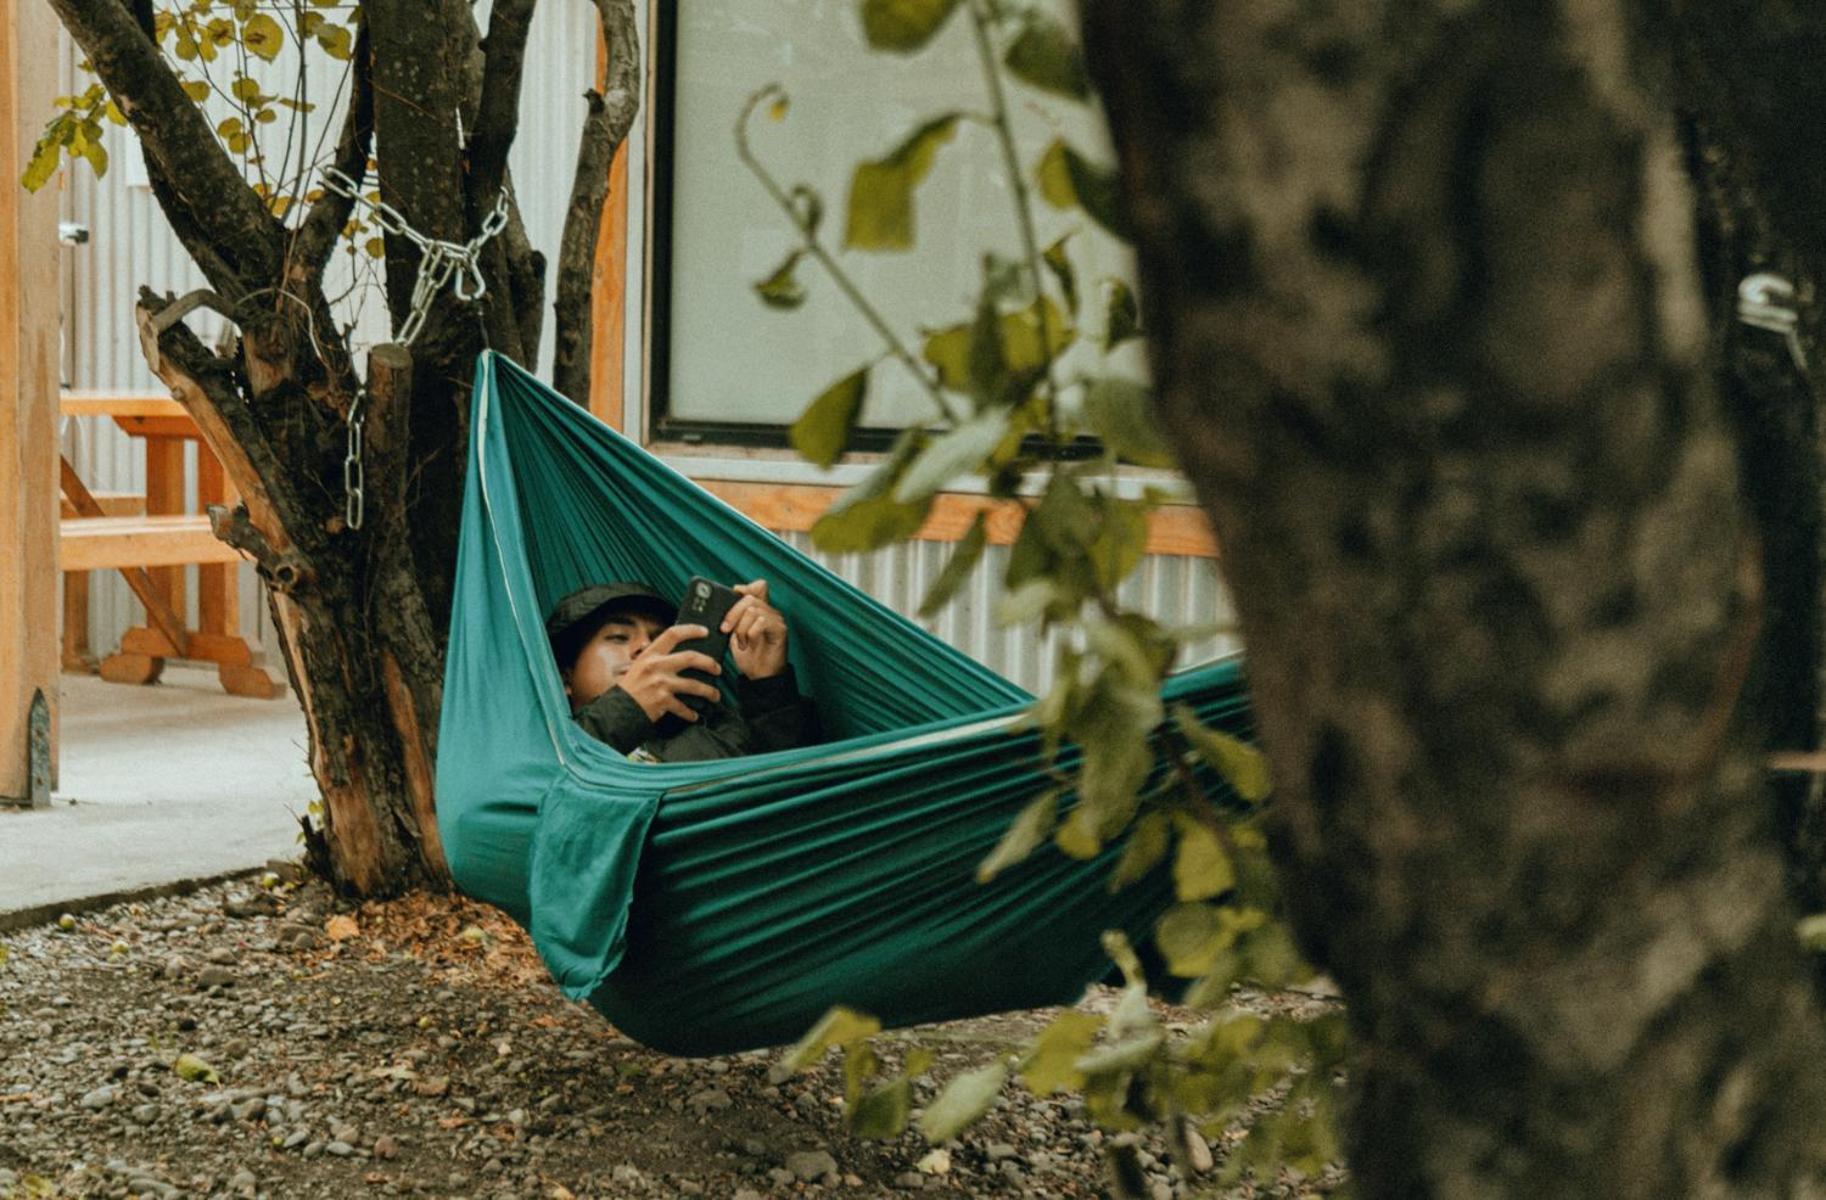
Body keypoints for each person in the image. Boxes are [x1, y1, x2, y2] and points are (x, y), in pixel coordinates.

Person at [544, 579, 819, 763]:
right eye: (618, 636)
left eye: (659, 637)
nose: (646, 648)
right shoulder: (537, 743)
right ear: (565, 677)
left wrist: (769, 684)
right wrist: (627, 707)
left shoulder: (718, 734)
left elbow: (793, 795)